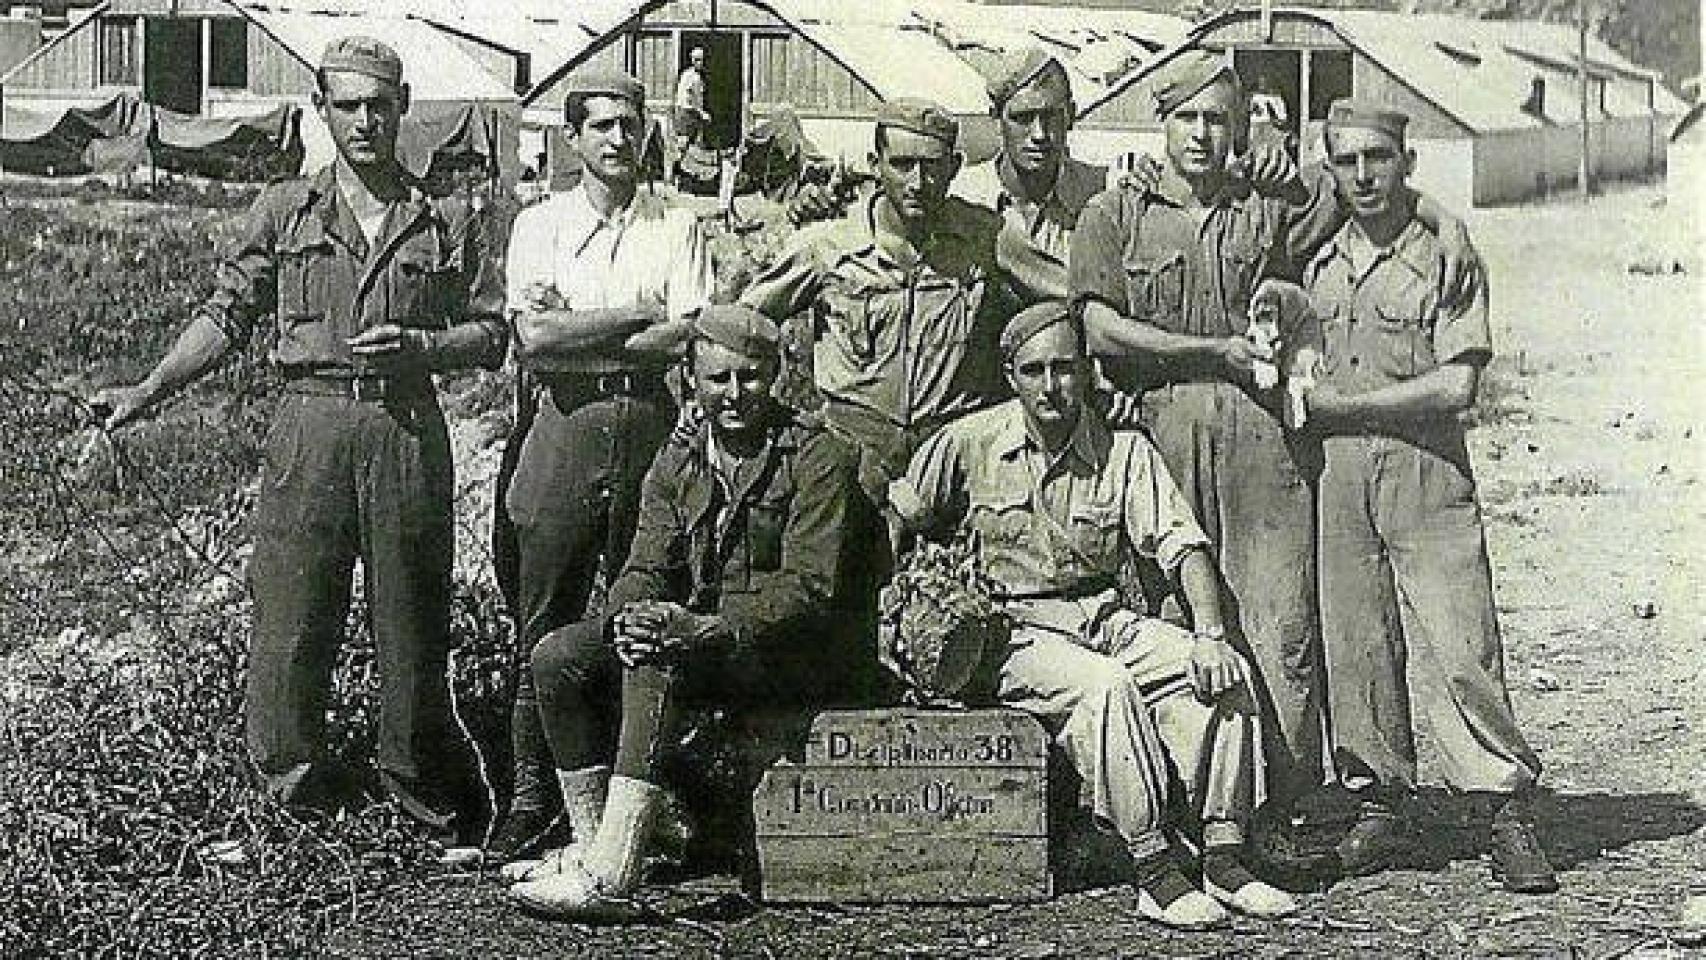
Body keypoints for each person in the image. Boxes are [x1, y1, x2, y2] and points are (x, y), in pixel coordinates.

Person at [92, 37, 506, 847]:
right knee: (291, 614)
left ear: (403, 107)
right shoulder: (285, 210)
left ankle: (420, 797)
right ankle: (289, 800)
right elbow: (226, 316)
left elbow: (491, 334)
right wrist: (146, 389)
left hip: (404, 427)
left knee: (411, 620)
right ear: (321, 110)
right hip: (309, 427)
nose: (364, 122)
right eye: (347, 106)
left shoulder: (447, 216)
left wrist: (425, 347)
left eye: (378, 106)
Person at [1069, 50, 1482, 827]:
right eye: (1186, 118)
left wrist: (1444, 219)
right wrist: (1209, 351)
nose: (1201, 134)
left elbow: (1368, 185)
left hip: (1262, 437)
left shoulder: (1270, 207)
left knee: (1279, 621)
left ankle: (1281, 809)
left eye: (1216, 119)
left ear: (1238, 129)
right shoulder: (1114, 212)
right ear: (1161, 124)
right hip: (1158, 433)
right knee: (1171, 611)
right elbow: (1099, 326)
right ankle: (1178, 805)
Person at [889, 301, 1295, 929]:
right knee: (1105, 688)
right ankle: (1153, 869)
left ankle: (1223, 854)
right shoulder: (969, 442)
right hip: (1012, 632)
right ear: (1010, 375)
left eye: (1064, 369)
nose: (1050, 387)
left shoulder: (1123, 450)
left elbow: (1181, 543)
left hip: (1102, 619)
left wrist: (1209, 634)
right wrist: (911, 615)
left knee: (1220, 671)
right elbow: (902, 514)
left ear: (1085, 372)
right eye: (1034, 371)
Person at [508, 305, 869, 920]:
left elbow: (808, 589)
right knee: (557, 657)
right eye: (717, 378)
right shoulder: (678, 458)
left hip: (784, 651)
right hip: (704, 640)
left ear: (778, 375)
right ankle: (593, 845)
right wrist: (628, 617)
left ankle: (613, 877)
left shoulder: (817, 456)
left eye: (750, 377)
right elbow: (646, 562)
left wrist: (702, 628)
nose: (734, 394)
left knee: (661, 661)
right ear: (691, 380)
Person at [1298, 100, 1557, 893]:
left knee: (1460, 639)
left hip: (1427, 468)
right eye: (1347, 161)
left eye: (1378, 157)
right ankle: (1380, 800)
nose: (1363, 175)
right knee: (1357, 640)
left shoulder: (1443, 256)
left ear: (1406, 163)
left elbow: (1457, 385)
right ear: (1331, 170)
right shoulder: (1314, 258)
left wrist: (1347, 408)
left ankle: (1503, 809)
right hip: (1340, 475)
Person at [491, 67, 714, 862]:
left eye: (630, 124)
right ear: (573, 137)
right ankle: (530, 797)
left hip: (650, 425)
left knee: (641, 610)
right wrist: (634, 314)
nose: (618, 139)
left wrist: (583, 327)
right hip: (564, 426)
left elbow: (685, 335)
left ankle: (635, 803)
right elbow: (534, 340)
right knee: (542, 616)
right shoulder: (541, 224)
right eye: (601, 126)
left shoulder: (676, 224)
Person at [740, 98, 1010, 511]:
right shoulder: (828, 247)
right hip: (852, 453)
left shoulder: (985, 239)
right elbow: (741, 322)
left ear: (954, 167)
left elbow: (1060, 294)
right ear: (875, 163)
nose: (917, 182)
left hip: (950, 456)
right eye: (901, 164)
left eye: (932, 166)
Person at [674, 46, 709, 148]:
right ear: (693, 61)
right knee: (684, 143)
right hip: (686, 113)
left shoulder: (698, 76)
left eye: (702, 60)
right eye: (698, 60)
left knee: (695, 143)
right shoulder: (689, 76)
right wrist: (701, 112)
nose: (701, 63)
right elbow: (686, 97)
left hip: (693, 113)